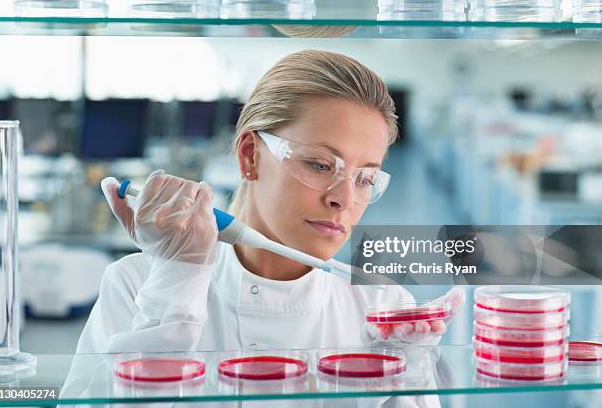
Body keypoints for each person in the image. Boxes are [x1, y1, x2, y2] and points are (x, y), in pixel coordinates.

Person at [70, 50, 464, 407]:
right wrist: (175, 286)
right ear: (250, 156)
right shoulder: (137, 286)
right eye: (321, 165)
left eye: (365, 179)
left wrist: (408, 377)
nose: (343, 199)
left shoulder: (384, 308)